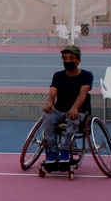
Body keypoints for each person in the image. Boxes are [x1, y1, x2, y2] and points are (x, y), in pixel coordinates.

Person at [40, 44, 93, 173]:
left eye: (71, 58)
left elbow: (83, 93)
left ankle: (65, 150)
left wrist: (74, 108)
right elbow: (52, 92)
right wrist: (49, 103)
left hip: (79, 111)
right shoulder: (58, 76)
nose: (68, 61)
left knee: (73, 118)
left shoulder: (86, 75)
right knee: (47, 117)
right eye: (65, 58)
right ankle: (52, 150)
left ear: (78, 60)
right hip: (59, 111)